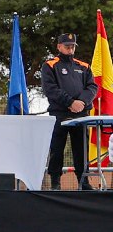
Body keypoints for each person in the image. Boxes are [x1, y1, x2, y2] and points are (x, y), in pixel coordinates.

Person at [42, 32, 98, 190]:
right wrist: (70, 102)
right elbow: (50, 89)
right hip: (59, 113)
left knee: (81, 149)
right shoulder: (50, 65)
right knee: (57, 148)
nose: (70, 48)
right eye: (67, 46)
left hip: (81, 115)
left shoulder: (84, 66)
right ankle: (55, 182)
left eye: (72, 46)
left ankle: (84, 181)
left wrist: (81, 102)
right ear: (59, 46)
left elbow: (92, 87)